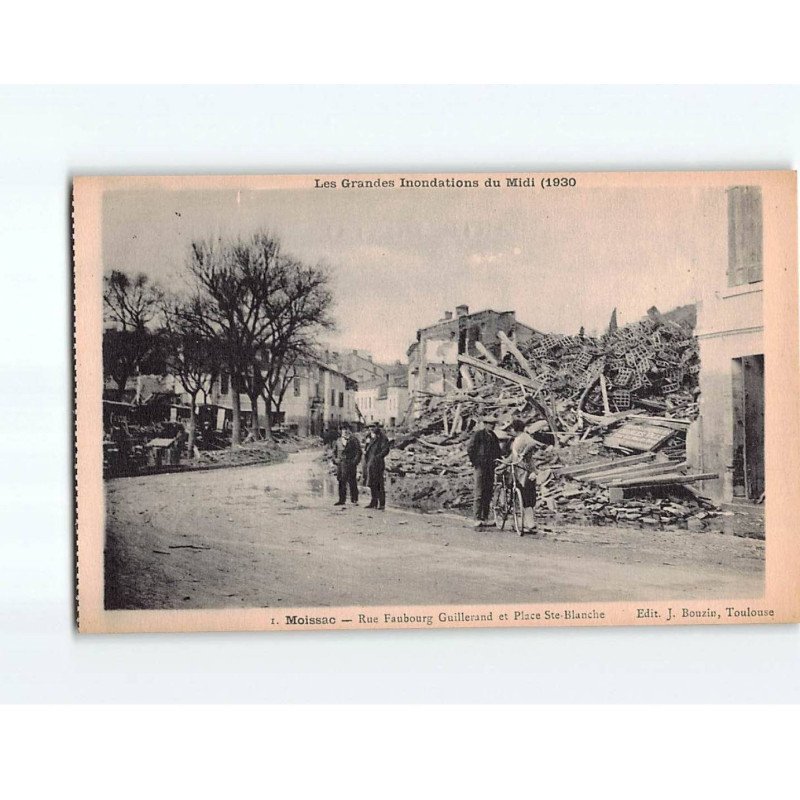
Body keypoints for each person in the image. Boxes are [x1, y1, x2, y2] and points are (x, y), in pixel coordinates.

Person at [466, 415, 502, 529]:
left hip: (490, 467)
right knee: (479, 492)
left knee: (488, 492)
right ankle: (477, 518)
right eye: (490, 424)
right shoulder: (479, 435)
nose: (492, 426)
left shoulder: (494, 436)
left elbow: (498, 451)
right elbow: (470, 448)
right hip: (481, 466)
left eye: (494, 424)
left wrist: (499, 460)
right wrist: (475, 462)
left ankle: (485, 518)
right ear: (485, 424)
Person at [508, 418, 538, 533]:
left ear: (515, 429)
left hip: (526, 470)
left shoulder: (524, 437)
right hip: (519, 470)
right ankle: (525, 522)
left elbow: (532, 443)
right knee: (522, 495)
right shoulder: (517, 439)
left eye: (511, 428)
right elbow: (513, 455)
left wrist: (524, 453)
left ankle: (530, 523)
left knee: (527, 497)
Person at [363, 422, 391, 510]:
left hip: (378, 463)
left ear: (377, 427)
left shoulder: (382, 437)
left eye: (373, 427)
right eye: (370, 427)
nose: (371, 428)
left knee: (379, 483)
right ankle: (373, 502)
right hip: (369, 463)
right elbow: (366, 448)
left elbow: (385, 450)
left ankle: (381, 504)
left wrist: (377, 457)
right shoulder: (368, 436)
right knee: (371, 483)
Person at [332, 423, 362, 506]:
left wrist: (355, 462)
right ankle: (341, 500)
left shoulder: (354, 440)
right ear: (341, 431)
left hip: (351, 464)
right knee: (341, 481)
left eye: (346, 429)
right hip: (341, 465)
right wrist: (335, 460)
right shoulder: (338, 441)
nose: (345, 431)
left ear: (349, 430)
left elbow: (358, 452)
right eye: (343, 429)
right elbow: (334, 452)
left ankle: (354, 499)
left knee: (352, 481)